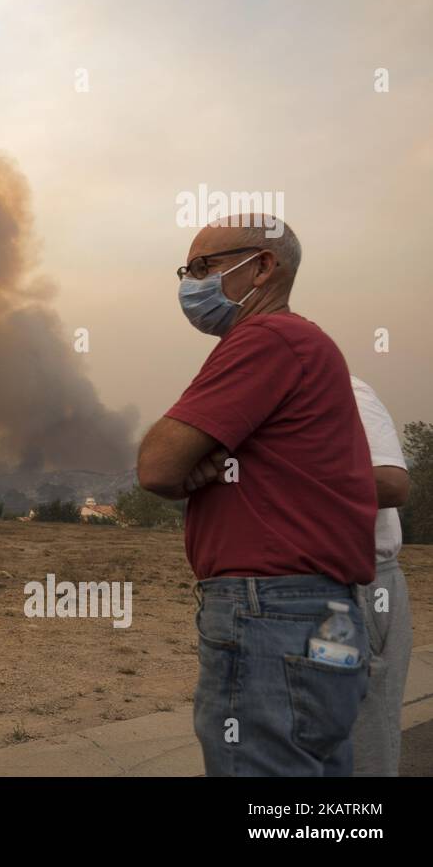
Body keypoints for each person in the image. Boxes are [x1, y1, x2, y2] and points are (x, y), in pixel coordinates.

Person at [137, 215, 376, 776]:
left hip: (270, 612)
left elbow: (156, 465)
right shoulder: (308, 346)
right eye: (186, 270)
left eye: (204, 267)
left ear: (263, 266)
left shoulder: (266, 338)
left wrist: (185, 471)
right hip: (325, 613)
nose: (190, 284)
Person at [349, 376, 412, 776]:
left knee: (362, 745)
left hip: (360, 587)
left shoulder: (345, 389)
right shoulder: (247, 394)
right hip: (283, 592)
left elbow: (390, 483)